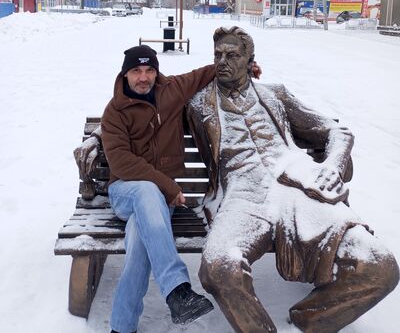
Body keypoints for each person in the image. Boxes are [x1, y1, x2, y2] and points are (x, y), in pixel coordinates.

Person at [185, 26, 399, 333]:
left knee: (380, 267)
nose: (222, 61)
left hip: (299, 190)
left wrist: (333, 166)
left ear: (250, 60)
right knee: (219, 267)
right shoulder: (198, 103)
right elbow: (150, 106)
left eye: (232, 55)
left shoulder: (275, 95)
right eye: (217, 54)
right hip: (242, 196)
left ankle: (307, 321)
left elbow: (337, 132)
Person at [74, 43, 261, 333]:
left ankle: (122, 327)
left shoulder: (171, 90)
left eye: (149, 70)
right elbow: (122, 163)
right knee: (147, 190)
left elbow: (205, 73)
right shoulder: (115, 111)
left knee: (139, 241)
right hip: (125, 192)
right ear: (125, 75)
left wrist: (244, 68)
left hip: (160, 202)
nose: (143, 77)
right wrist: (168, 186)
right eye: (136, 71)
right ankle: (177, 288)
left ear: (156, 72)